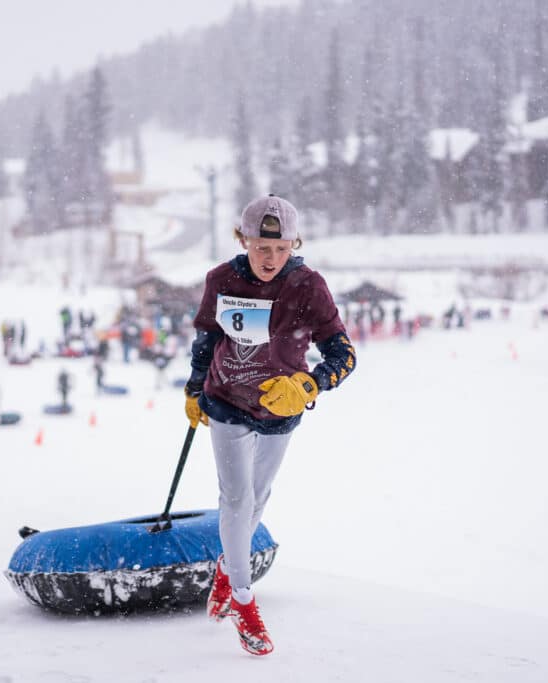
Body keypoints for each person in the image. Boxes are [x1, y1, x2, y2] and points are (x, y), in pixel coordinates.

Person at [183, 194, 356, 656]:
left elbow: (343, 354)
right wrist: (194, 387)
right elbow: (208, 339)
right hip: (225, 401)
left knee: (258, 499)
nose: (271, 259)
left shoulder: (308, 286)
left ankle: (227, 569)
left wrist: (310, 385)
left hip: (279, 409)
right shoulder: (221, 279)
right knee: (235, 499)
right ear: (243, 240)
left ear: (295, 245)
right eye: (261, 247)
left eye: (281, 249)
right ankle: (244, 601)